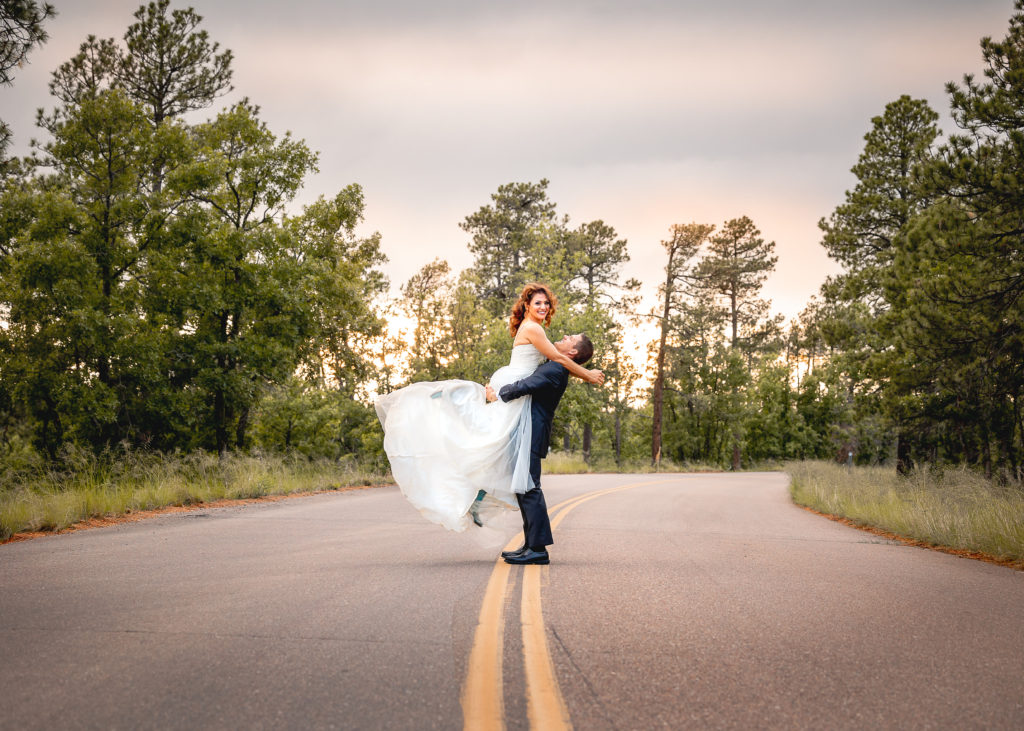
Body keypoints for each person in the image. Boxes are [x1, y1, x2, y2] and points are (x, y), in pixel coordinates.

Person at [375, 283, 603, 533]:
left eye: (546, 303)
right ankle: (441, 412)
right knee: (486, 443)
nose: (543, 307)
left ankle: (478, 498)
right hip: (512, 394)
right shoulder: (533, 329)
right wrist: (589, 375)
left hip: (513, 394)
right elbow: (561, 359)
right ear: (527, 305)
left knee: (492, 448)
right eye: (538, 302)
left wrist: (584, 372)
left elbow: (561, 361)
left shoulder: (537, 332)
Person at [485, 331, 594, 565]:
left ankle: (538, 549)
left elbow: (527, 385)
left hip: (532, 434)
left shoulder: (556, 370)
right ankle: (531, 544)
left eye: (570, 339)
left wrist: (498, 394)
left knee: (530, 488)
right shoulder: (555, 365)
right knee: (525, 489)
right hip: (528, 432)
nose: (564, 336)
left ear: (572, 352)